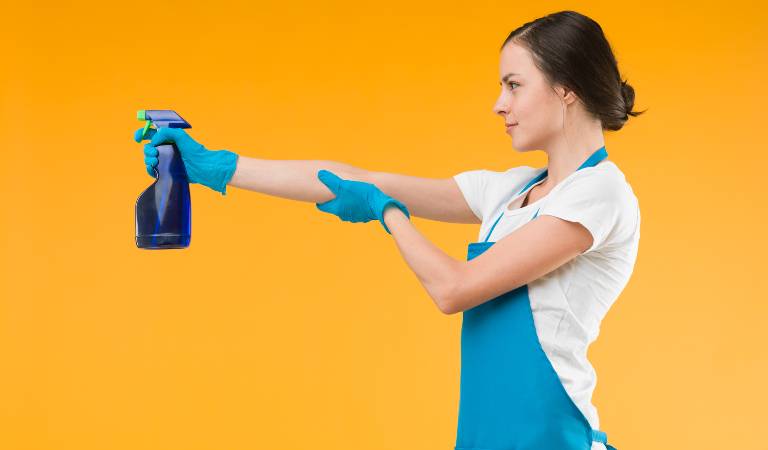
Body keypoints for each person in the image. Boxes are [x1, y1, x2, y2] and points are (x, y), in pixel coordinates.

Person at [134, 10, 644, 450]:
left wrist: (387, 213)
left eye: (513, 84)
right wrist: (221, 168)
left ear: (566, 88)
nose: (498, 103)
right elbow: (355, 180)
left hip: (548, 440)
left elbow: (454, 288)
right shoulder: (513, 191)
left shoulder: (598, 194)